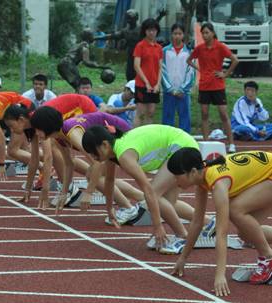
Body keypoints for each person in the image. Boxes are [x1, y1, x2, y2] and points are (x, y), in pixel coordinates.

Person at [81, 124, 216, 254]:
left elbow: (149, 191)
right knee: (169, 203)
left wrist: (157, 227)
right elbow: (109, 181)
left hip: (180, 146)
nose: (93, 157)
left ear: (104, 145)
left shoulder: (124, 155)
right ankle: (209, 223)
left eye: (94, 152)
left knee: (154, 195)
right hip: (178, 144)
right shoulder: (113, 153)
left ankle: (182, 236)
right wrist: (109, 208)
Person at [168, 148, 272, 296]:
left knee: (235, 211)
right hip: (266, 175)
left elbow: (222, 233)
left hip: (269, 175)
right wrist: (183, 258)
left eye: (177, 176)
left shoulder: (218, 183)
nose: (175, 180)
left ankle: (268, 257)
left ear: (192, 172)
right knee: (246, 234)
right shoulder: (202, 179)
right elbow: (197, 222)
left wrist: (219, 275)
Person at [31, 108, 144, 223]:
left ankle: (128, 209)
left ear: (47, 126)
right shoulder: (57, 137)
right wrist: (64, 192)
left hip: (118, 133)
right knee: (101, 177)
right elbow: (69, 164)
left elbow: (97, 163)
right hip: (106, 138)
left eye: (38, 129)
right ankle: (142, 198)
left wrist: (88, 193)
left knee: (94, 175)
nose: (36, 133)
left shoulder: (73, 133)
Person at [3, 94, 97, 208]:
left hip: (81, 107)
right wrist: (28, 190)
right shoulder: (31, 125)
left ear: (22, 120)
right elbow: (34, 159)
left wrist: (45, 190)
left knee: (55, 147)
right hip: (68, 112)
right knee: (63, 153)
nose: (11, 130)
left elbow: (48, 157)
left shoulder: (39, 122)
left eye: (11, 126)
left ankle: (72, 188)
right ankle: (75, 185)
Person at [186, 22, 239, 153]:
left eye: (207, 32)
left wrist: (225, 74)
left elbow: (235, 60)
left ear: (213, 33)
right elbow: (188, 60)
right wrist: (200, 69)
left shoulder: (220, 46)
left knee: (223, 114)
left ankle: (231, 143)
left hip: (218, 85)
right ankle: (206, 142)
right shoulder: (199, 48)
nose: (204, 35)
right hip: (204, 86)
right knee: (204, 114)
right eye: (203, 33)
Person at [94, 9, 166, 81]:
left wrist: (160, 16)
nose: (129, 20)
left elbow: (152, 25)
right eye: (128, 18)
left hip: (143, 56)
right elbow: (112, 36)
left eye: (131, 18)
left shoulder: (141, 29)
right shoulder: (125, 31)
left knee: (143, 74)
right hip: (131, 56)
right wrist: (95, 38)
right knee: (130, 75)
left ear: (136, 18)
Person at [161, 24, 194, 134]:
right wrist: (170, 89)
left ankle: (184, 142)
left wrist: (182, 89)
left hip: (184, 92)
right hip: (168, 91)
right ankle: (167, 141)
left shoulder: (188, 52)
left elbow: (190, 72)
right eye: (175, 33)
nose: (177, 36)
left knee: (185, 117)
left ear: (183, 35)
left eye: (179, 34)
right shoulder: (165, 51)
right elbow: (162, 70)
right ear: (171, 34)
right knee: (167, 117)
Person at [133, 18, 163, 127]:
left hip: (154, 84)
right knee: (140, 113)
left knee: (151, 113)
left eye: (154, 30)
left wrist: (158, 84)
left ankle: (147, 138)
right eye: (149, 30)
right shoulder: (140, 46)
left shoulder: (159, 48)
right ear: (145, 31)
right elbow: (136, 65)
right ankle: (135, 138)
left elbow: (160, 67)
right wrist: (146, 82)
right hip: (141, 84)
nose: (151, 32)